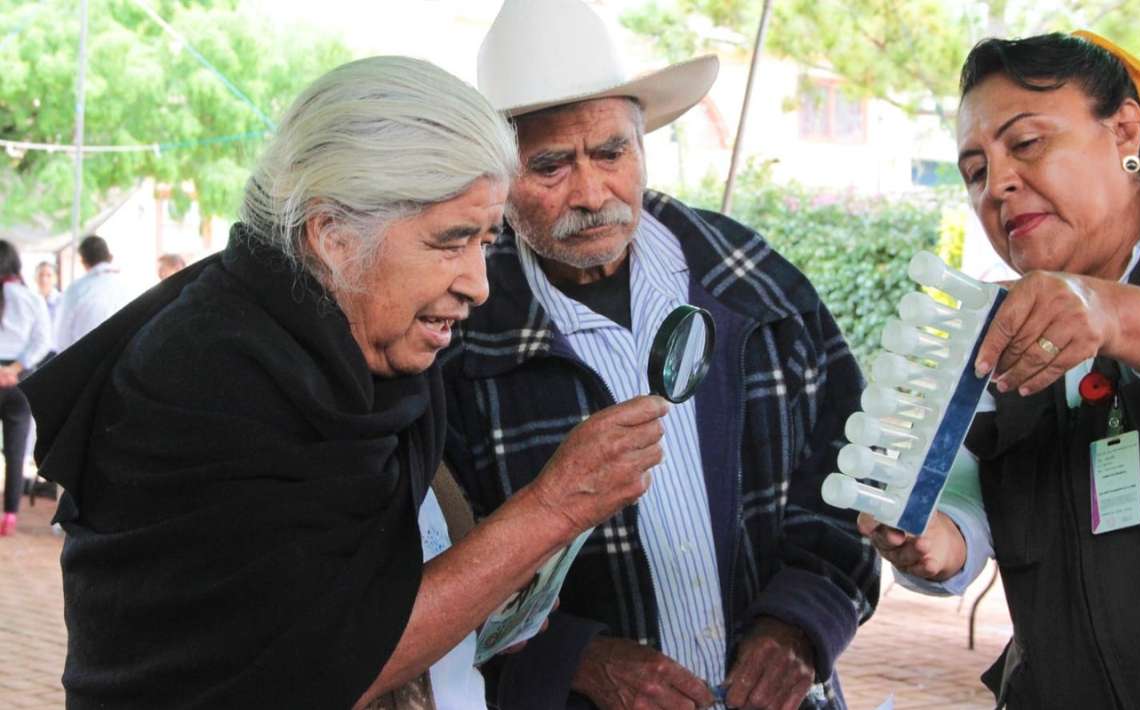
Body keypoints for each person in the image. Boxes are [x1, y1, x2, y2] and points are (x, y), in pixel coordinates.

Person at [22, 55, 670, 709]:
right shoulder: (216, 377)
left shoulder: (356, 358)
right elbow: (327, 662)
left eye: (486, 239)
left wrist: (495, 586)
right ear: (333, 234)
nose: (477, 283)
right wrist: (552, 509)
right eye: (451, 241)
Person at [439, 2, 880, 708]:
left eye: (611, 152)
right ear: (496, 176)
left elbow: (851, 475)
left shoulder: (754, 283)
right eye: (549, 164)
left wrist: (801, 624)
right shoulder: (457, 334)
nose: (590, 193)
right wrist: (573, 657)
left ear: (644, 146)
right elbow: (436, 560)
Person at [859, 31, 1140, 709]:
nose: (998, 186)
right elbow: (967, 501)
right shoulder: (993, 332)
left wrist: (1115, 314)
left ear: (1124, 131)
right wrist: (934, 541)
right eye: (974, 171)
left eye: (1026, 144)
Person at [0, 242, 51, 535]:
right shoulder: (31, 298)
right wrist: (14, 369)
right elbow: (42, 341)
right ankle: (9, 515)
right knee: (16, 452)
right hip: (20, 382)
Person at [51, 235, 134, 351]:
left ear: (83, 261)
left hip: (85, 361)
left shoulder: (76, 289)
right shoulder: (131, 286)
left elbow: (62, 338)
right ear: (110, 257)